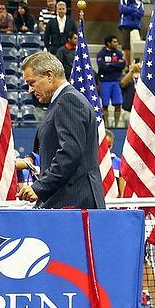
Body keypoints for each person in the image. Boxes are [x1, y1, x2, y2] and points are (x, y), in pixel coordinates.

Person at [15, 52, 104, 209]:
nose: (29, 90)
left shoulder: (68, 101)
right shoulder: (61, 102)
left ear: (49, 75)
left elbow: (69, 153)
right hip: (66, 201)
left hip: (73, 202)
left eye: (32, 82)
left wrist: (40, 187)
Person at [96, 35, 125, 128]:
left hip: (116, 81)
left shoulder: (119, 53)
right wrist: (115, 65)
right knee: (105, 104)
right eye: (114, 42)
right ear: (108, 43)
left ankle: (116, 124)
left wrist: (110, 65)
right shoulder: (101, 54)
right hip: (105, 82)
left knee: (118, 103)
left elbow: (122, 65)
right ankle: (106, 124)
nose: (116, 44)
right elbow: (102, 66)